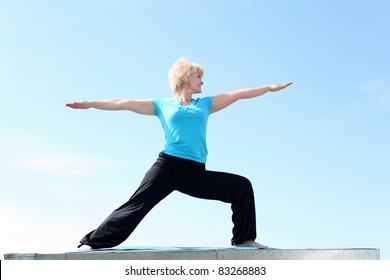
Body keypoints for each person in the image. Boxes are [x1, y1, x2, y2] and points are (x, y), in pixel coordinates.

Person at [66, 58, 292, 251]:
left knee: (241, 186)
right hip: (167, 167)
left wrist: (270, 88)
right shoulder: (161, 105)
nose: (202, 81)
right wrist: (90, 104)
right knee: (136, 205)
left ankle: (243, 239)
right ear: (185, 77)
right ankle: (93, 242)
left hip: (195, 172)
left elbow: (239, 94)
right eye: (198, 77)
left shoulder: (205, 104)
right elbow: (122, 103)